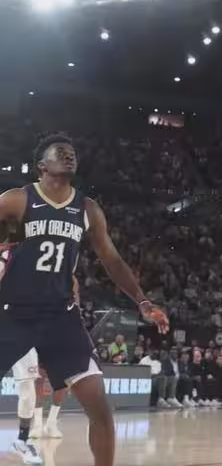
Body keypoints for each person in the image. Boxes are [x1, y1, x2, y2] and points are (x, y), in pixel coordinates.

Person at [0, 133, 168, 466]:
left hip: (61, 317)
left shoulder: (87, 208)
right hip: (13, 314)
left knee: (100, 408)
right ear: (41, 165)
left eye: (72, 152)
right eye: (60, 152)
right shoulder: (18, 200)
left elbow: (112, 260)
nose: (69, 155)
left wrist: (143, 302)